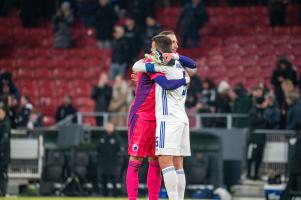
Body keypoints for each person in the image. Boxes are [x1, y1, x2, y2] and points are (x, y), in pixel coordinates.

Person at [128, 35, 195, 200]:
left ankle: (154, 198)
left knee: (157, 162)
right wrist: (185, 79)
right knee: (136, 159)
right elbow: (137, 66)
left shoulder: (170, 65)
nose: (176, 45)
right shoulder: (154, 64)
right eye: (173, 42)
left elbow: (166, 80)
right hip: (143, 116)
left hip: (163, 119)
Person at [97, 122, 123, 197]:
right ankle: (104, 195)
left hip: (113, 163)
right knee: (103, 179)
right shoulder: (103, 137)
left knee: (114, 179)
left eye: (110, 126)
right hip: (104, 162)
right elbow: (98, 148)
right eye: (107, 126)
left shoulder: (117, 137)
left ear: (113, 127)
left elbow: (120, 149)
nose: (108, 127)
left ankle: (115, 195)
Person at [0, 102, 10, 196]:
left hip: (4, 154)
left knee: (3, 173)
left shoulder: (6, 123)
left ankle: (4, 192)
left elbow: (5, 140)